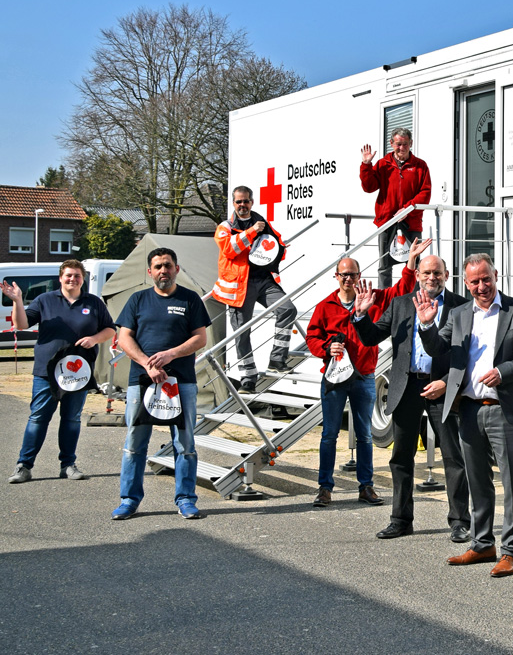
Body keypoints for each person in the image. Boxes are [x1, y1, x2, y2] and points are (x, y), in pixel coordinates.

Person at [416, 253, 513, 578]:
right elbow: (437, 348)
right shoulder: (459, 314)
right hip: (470, 409)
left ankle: (511, 551)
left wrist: (503, 371)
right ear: (466, 283)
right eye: (474, 281)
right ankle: (483, 543)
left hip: (505, 410)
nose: (481, 286)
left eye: (486, 279)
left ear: (496, 276)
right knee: (477, 481)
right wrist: (427, 324)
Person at [353, 253, 471, 543]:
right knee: (401, 457)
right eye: (426, 272)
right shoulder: (401, 304)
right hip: (406, 386)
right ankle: (401, 520)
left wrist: (446, 382)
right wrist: (361, 315)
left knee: (453, 457)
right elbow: (371, 337)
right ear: (417, 275)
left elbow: (469, 353)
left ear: (446, 276)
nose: (432, 277)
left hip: (442, 388)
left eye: (437, 273)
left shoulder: (461, 306)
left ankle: (459, 522)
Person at [303, 240, 427, 508]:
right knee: (329, 435)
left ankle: (366, 487)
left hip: (364, 376)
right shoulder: (325, 306)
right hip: (335, 378)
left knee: (365, 436)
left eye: (352, 274)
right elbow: (312, 337)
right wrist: (327, 348)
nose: (348, 279)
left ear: (359, 276)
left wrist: (411, 262)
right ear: (336, 276)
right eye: (343, 274)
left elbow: (402, 290)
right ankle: (325, 488)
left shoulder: (374, 298)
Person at [112, 248, 212, 520]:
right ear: (150, 272)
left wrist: (171, 355)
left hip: (181, 383)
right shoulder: (137, 299)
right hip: (142, 381)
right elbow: (124, 338)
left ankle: (186, 499)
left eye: (168, 265)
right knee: (135, 442)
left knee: (185, 443)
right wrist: (147, 364)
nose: (163, 271)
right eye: (157, 266)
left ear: (176, 269)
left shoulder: (190, 299)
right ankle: (129, 500)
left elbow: (200, 338)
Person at [4, 260, 115, 484]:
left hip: (78, 373)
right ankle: (24, 466)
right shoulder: (44, 300)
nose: (72, 279)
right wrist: (17, 301)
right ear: (60, 278)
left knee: (71, 419)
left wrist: (95, 339)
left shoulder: (93, 302)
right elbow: (21, 324)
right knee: (38, 418)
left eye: (77, 275)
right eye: (68, 275)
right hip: (47, 372)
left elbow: (110, 329)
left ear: (83, 279)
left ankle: (67, 465)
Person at [212, 185, 298, 392]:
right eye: (239, 201)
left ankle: (277, 360)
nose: (242, 205)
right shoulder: (224, 227)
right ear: (233, 203)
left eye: (246, 201)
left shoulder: (262, 222)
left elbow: (277, 244)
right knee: (242, 334)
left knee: (287, 309)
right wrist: (251, 232)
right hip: (239, 287)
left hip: (265, 281)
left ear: (252, 202)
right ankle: (248, 378)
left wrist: (279, 249)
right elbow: (229, 249)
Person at [361, 127, 432, 287]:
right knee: (384, 266)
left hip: (411, 223)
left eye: (405, 144)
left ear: (411, 143)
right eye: (398, 144)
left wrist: (407, 209)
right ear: (391, 143)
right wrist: (366, 165)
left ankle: (414, 297)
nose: (402, 148)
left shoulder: (420, 166)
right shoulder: (383, 164)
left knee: (414, 264)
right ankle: (385, 298)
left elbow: (425, 193)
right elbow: (368, 187)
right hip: (387, 223)